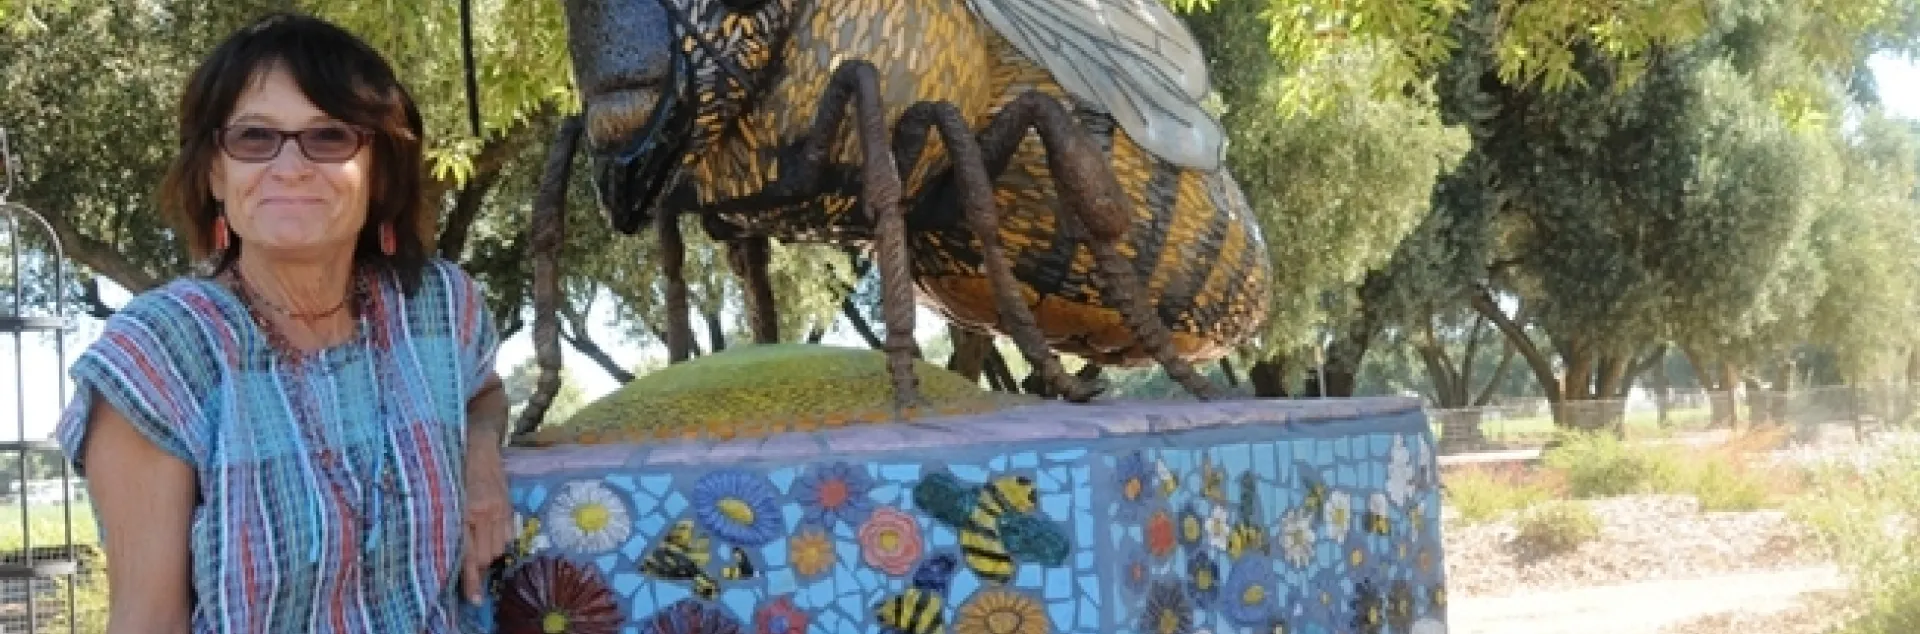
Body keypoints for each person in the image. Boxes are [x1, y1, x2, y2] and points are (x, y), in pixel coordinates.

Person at [54, 12, 512, 633]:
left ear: (379, 170)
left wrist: (481, 459)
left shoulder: (437, 305)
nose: (291, 166)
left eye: (329, 137)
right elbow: (149, 619)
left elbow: (483, 394)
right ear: (215, 172)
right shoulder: (163, 355)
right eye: (254, 138)